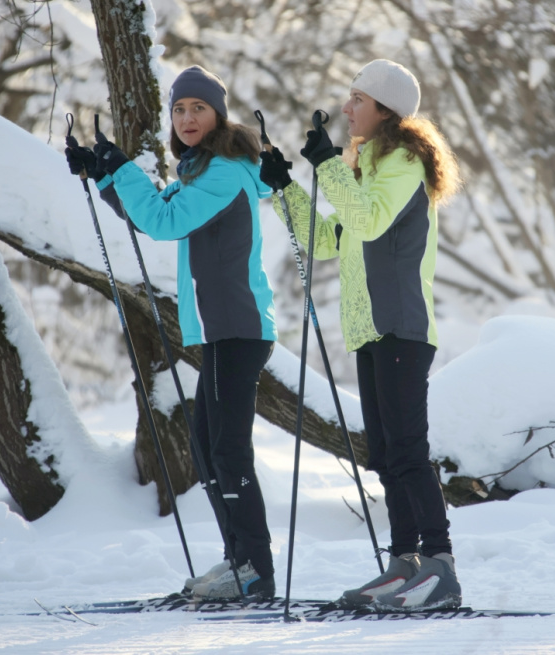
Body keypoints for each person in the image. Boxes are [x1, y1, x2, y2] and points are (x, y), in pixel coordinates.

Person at [65, 65, 277, 600]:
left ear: (217, 116)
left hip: (239, 326)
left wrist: (119, 168)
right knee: (209, 449)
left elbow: (163, 223)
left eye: (198, 108)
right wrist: (106, 175)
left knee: (227, 452)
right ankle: (240, 561)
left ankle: (255, 568)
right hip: (222, 330)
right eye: (179, 109)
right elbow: (157, 213)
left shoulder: (225, 171)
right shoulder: (202, 171)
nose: (186, 117)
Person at [259, 59, 463, 610]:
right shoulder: (367, 168)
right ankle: (404, 562)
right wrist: (283, 191)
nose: (346, 108)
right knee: (385, 453)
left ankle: (440, 565)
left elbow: (370, 222)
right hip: (371, 330)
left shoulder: (401, 163)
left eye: (357, 99)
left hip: (401, 326)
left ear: (384, 110)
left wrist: (327, 165)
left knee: (408, 450)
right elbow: (329, 239)